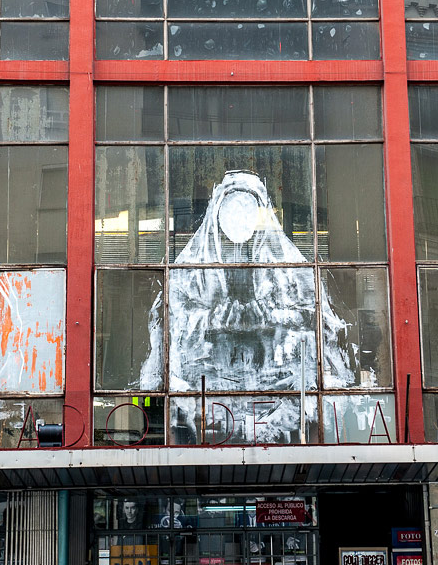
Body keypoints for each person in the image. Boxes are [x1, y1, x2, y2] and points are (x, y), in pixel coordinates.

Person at [137, 171, 359, 443]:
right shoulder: (190, 271)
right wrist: (211, 320)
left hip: (274, 389)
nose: (239, 218)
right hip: (210, 392)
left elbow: (314, 320)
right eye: (232, 210)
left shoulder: (290, 268)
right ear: (217, 213)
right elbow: (173, 322)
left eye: (247, 209)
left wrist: (275, 317)